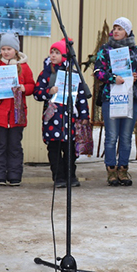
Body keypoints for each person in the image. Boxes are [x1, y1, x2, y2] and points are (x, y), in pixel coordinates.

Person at [93, 17, 137, 186]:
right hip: (111, 98)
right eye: (114, 28)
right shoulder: (105, 49)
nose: (115, 31)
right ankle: (110, 170)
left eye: (120, 28)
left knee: (125, 137)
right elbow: (97, 71)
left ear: (127, 31)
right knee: (111, 136)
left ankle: (123, 169)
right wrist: (112, 78)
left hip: (130, 98)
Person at [33, 39, 90, 188]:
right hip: (52, 120)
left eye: (57, 52)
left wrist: (84, 116)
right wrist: (48, 92)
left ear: (65, 55)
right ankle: (58, 177)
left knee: (70, 151)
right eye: (52, 52)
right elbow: (37, 93)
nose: (53, 55)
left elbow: (81, 97)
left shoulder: (73, 73)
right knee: (54, 150)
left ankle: (71, 176)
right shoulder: (46, 72)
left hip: (69, 119)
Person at [0, 32, 35, 186]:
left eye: (9, 49)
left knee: (15, 147)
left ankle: (14, 176)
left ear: (16, 50)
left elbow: (32, 86)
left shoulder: (24, 67)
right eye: (3, 49)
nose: (5, 52)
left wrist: (25, 88)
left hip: (17, 116)